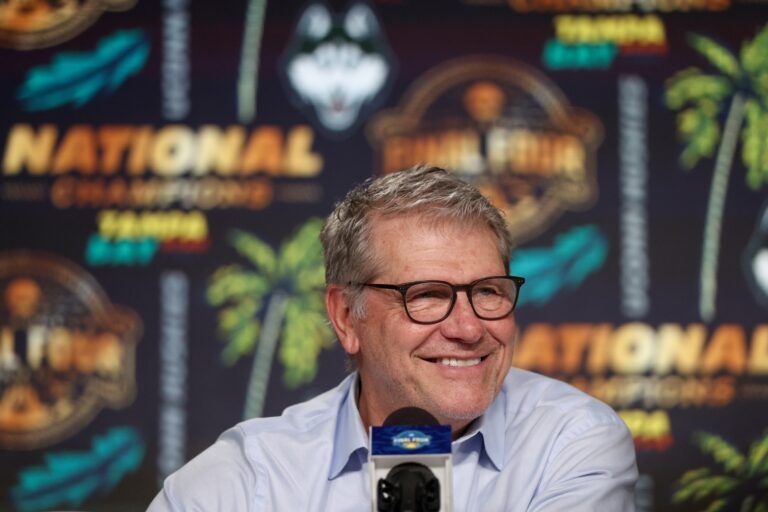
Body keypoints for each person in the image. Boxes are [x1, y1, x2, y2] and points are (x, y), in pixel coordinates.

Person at [148, 165, 637, 511]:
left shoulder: (572, 442)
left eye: (488, 291)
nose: (468, 328)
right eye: (425, 295)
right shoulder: (252, 476)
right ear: (345, 316)